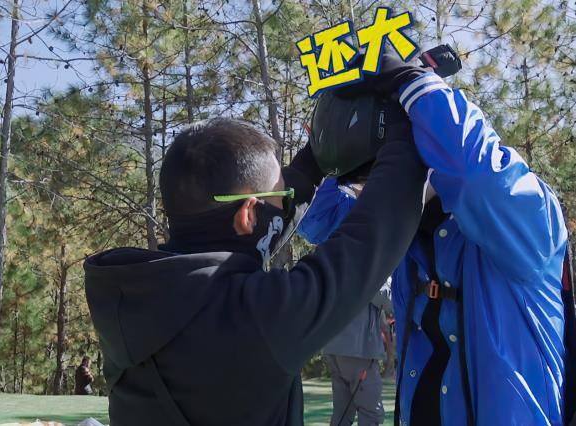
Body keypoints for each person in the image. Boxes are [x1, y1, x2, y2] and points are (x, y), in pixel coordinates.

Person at [84, 116, 427, 425]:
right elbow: (375, 233)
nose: (285, 206)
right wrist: (404, 127)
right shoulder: (261, 314)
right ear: (249, 214)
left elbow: (267, 221)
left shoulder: (127, 295)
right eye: (281, 197)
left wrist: (316, 152)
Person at [301, 55, 568, 425]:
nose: (366, 192)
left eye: (373, 173)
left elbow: (477, 175)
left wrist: (415, 83)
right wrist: (318, 158)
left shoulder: (528, 218)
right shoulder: (405, 230)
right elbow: (319, 222)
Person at [298, 178, 392, 426]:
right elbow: (380, 295)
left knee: (342, 412)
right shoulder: (361, 259)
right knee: (371, 411)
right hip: (356, 348)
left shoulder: (337, 253)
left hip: (335, 345)